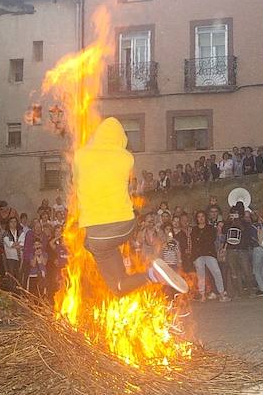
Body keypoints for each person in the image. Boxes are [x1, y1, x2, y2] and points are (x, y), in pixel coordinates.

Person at [73, 118, 187, 296]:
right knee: (113, 271)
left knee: (112, 278)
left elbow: (75, 181)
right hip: (126, 226)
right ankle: (153, 274)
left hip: (99, 235)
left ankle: (151, 274)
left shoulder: (80, 155)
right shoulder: (126, 158)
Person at [191, 210, 226, 301]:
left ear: (205, 217)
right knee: (201, 275)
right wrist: (193, 257)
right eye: (199, 216)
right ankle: (202, 295)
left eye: (202, 216)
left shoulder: (210, 228)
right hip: (198, 254)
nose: (201, 218)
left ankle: (221, 293)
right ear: (197, 219)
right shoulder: (194, 229)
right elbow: (193, 244)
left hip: (209, 253)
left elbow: (212, 239)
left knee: (216, 272)